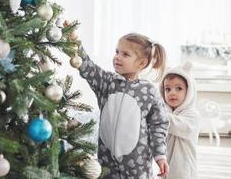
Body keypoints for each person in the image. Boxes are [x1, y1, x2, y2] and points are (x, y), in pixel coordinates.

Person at [77, 33, 169, 178]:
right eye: (117, 52)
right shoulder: (107, 82)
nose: (117, 57)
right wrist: (75, 42)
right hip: (106, 162)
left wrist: (160, 155)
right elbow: (88, 67)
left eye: (125, 54)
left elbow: (158, 124)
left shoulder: (149, 91)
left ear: (141, 63)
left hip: (137, 164)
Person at [159, 62, 200, 179]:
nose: (172, 92)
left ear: (189, 92)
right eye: (167, 89)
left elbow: (180, 126)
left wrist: (157, 114)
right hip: (166, 167)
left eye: (179, 88)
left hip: (184, 170)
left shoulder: (192, 115)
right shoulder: (165, 113)